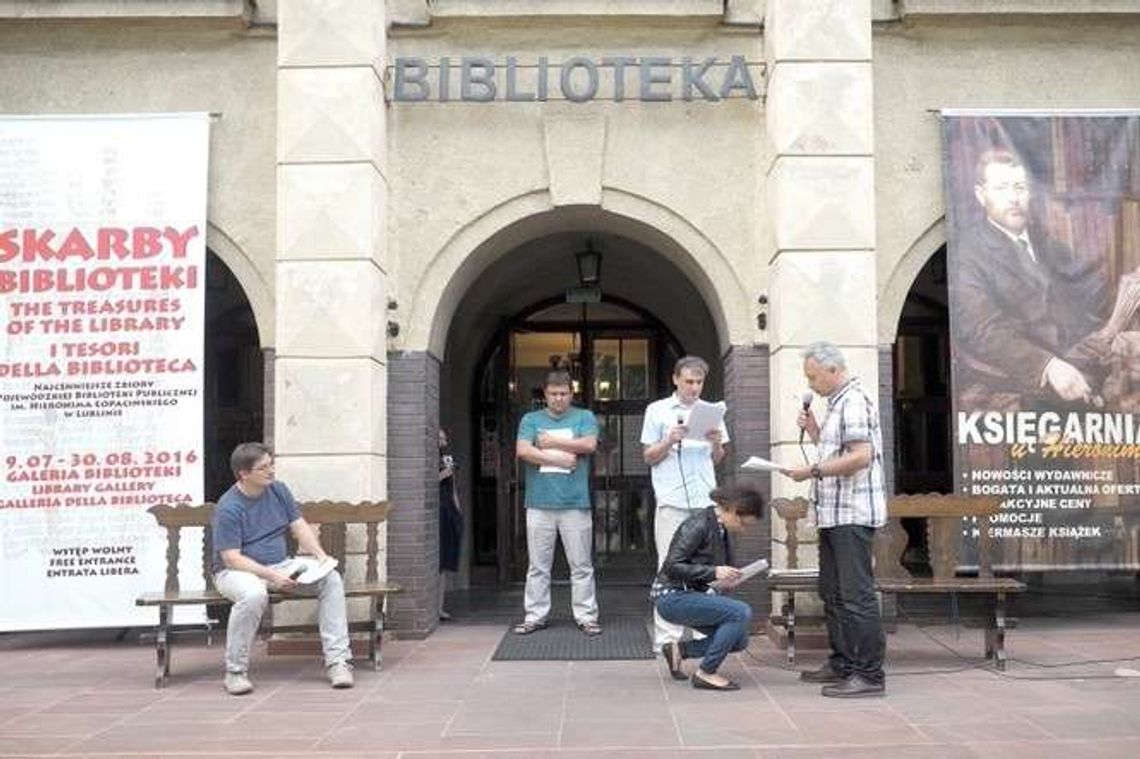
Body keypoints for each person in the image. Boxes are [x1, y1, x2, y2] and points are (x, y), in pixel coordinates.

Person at [953, 148, 1116, 407]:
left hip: (1082, 366)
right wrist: (1048, 366)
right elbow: (984, 331)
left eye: (1020, 187)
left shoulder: (1047, 243)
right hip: (1022, 382)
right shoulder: (966, 253)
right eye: (1002, 188)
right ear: (981, 195)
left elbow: (1093, 292)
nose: (1013, 198)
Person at [785, 342, 887, 698]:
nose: (810, 384)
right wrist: (815, 431)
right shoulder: (836, 404)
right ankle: (842, 663)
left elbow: (860, 456)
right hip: (832, 515)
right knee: (832, 592)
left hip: (851, 515)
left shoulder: (854, 400)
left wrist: (812, 470)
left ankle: (869, 675)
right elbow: (838, 452)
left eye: (813, 377)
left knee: (856, 595)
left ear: (833, 370)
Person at [211, 442, 354, 695]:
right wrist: (271, 576)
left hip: (281, 565)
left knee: (331, 579)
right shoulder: (229, 506)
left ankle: (338, 662)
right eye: (263, 467)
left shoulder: (278, 490)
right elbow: (232, 558)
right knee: (254, 594)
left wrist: (320, 556)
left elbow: (299, 526)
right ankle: (235, 672)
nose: (271, 471)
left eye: (271, 464)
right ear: (244, 474)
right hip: (236, 573)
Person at [640, 355, 729, 652]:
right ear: (676, 379)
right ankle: (668, 638)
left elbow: (718, 459)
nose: (694, 387)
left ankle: (705, 633)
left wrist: (715, 441)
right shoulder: (657, 410)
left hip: (705, 500)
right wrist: (668, 440)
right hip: (672, 499)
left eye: (699, 382)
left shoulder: (711, 411)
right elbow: (648, 457)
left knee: (707, 566)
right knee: (669, 566)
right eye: (689, 381)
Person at [513, 370, 602, 636]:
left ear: (571, 394)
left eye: (563, 394)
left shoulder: (584, 417)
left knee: (581, 565)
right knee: (538, 566)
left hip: (575, 503)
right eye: (553, 394)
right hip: (539, 502)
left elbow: (589, 444)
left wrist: (553, 442)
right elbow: (523, 450)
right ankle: (535, 616)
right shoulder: (531, 419)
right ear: (545, 394)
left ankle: (586, 616)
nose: (558, 399)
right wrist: (559, 458)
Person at [653, 485, 763, 691]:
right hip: (672, 596)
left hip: (691, 593)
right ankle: (706, 673)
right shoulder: (698, 524)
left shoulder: (721, 528)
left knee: (739, 640)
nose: (742, 529)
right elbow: (672, 566)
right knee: (740, 612)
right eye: (742, 522)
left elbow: (707, 572)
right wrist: (714, 572)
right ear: (732, 510)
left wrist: (725, 579)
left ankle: (679, 650)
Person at [438, 428, 464, 621]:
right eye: (440, 438)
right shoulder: (425, 459)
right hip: (437, 511)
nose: (444, 441)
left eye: (444, 437)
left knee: (445, 561)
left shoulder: (446, 458)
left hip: (448, 509)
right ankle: (435, 608)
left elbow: (452, 485)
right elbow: (425, 483)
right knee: (438, 561)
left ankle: (440, 608)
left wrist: (458, 508)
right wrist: (443, 475)